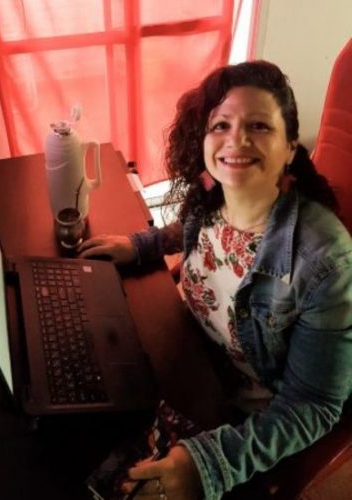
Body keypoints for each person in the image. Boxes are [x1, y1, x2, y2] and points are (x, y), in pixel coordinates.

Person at [78, 60, 352, 499]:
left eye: (259, 126)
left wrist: (211, 464)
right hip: (188, 357)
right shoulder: (212, 194)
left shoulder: (326, 260)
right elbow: (189, 229)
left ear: (290, 149)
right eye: (220, 124)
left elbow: (315, 404)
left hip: (242, 418)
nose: (236, 140)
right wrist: (142, 245)